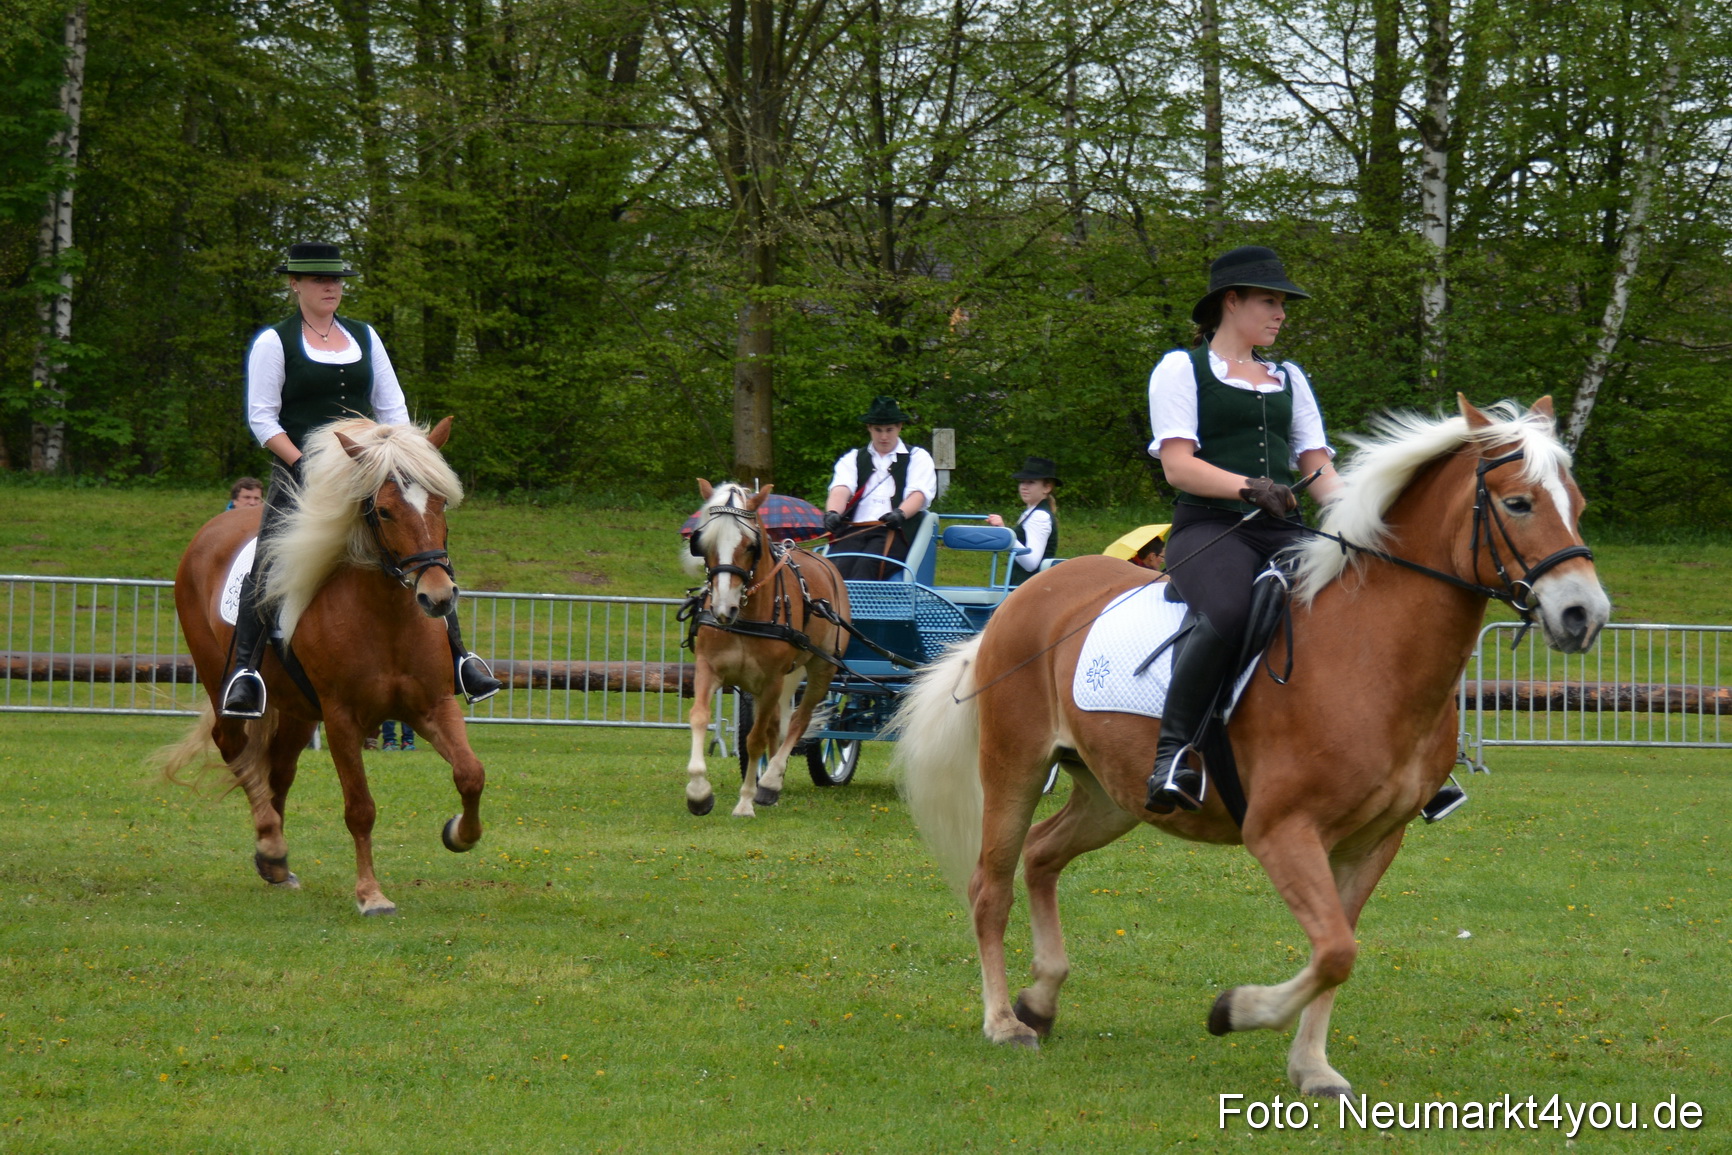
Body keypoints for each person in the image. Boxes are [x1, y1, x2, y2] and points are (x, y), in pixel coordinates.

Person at [219, 241, 502, 718]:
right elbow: (263, 419)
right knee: (267, 559)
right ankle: (244, 673)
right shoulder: (275, 340)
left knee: (424, 545)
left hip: (369, 473)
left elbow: (393, 410)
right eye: (318, 280)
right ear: (295, 284)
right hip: (301, 474)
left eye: (336, 279)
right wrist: (305, 465)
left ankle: (460, 660)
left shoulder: (365, 336)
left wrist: (406, 460)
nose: (331, 287)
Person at [821, 396, 938, 580]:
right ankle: (835, 608)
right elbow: (840, 489)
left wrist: (900, 513)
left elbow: (919, 494)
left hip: (894, 530)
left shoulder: (917, 457)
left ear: (899, 427)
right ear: (869, 428)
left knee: (866, 565)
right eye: (878, 430)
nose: (884, 436)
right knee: (837, 566)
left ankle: (860, 608)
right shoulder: (853, 458)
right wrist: (833, 512)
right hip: (854, 529)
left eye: (889, 430)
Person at [985, 456, 1060, 586]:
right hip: (1024, 587)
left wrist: (1005, 533)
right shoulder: (1031, 513)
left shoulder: (1039, 516)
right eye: (1022, 482)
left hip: (1029, 589)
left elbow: (1031, 563)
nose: (1024, 487)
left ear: (1047, 488)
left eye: (1031, 482)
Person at [1103, 523, 1170, 571]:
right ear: (1152, 556)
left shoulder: (1127, 565)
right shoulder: (1146, 576)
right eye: (1162, 557)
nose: (1162, 561)